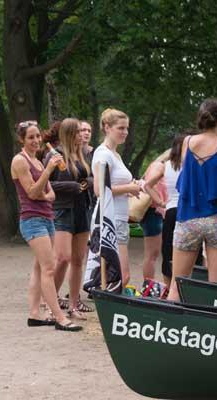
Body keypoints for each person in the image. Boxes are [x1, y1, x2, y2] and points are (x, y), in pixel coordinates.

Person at [167, 99, 217, 301]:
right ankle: (211, 330)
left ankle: (170, 326)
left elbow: (189, 178)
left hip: (188, 218)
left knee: (177, 284)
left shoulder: (187, 142)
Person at [11, 120, 82, 331]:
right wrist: (48, 171)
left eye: (37, 137)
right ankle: (59, 318)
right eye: (31, 137)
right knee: (49, 268)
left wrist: (43, 184)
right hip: (32, 220)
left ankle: (35, 314)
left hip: (47, 217)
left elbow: (50, 195)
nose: (36, 141)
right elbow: (32, 193)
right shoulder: (20, 161)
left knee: (39, 268)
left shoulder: (39, 162)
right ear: (22, 140)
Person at [44, 118, 94, 319]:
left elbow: (88, 177)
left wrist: (88, 181)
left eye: (83, 132)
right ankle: (51, 303)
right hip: (62, 209)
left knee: (78, 259)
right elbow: (45, 184)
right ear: (68, 134)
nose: (81, 135)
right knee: (62, 257)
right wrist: (71, 187)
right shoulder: (53, 155)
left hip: (82, 208)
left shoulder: (82, 154)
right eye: (77, 132)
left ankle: (74, 304)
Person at [92, 108, 141, 288]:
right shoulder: (104, 154)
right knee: (121, 275)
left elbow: (112, 186)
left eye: (127, 128)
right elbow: (99, 189)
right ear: (107, 128)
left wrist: (130, 188)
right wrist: (129, 187)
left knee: (118, 275)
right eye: (121, 128)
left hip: (121, 217)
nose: (125, 132)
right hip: (110, 219)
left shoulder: (116, 155)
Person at [144, 132, 201, 287]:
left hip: (171, 211)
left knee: (169, 250)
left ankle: (169, 289)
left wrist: (161, 202)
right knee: (193, 252)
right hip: (190, 211)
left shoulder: (166, 166)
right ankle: (188, 287)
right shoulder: (195, 165)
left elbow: (147, 185)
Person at [138, 152, 168, 280]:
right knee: (152, 254)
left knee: (154, 254)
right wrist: (160, 202)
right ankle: (148, 286)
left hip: (157, 211)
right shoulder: (159, 166)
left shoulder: (164, 167)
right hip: (153, 211)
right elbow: (148, 186)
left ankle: (149, 285)